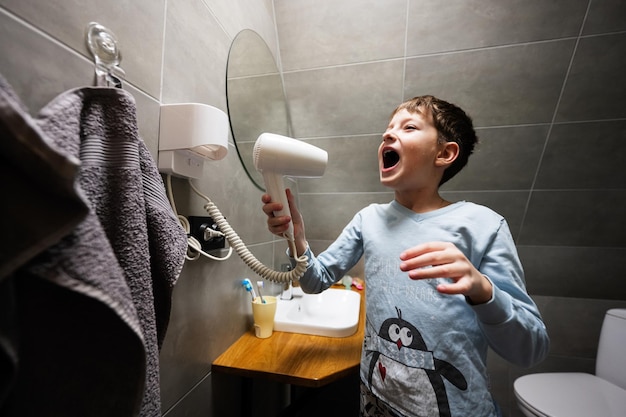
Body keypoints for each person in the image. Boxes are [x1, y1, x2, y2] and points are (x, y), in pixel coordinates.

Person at [261, 95, 549, 417]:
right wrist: (297, 239)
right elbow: (315, 281)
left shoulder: (483, 226)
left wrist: (483, 291)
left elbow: (529, 350)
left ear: (445, 153)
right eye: (388, 128)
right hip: (375, 403)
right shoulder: (368, 220)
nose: (387, 134)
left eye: (409, 127)